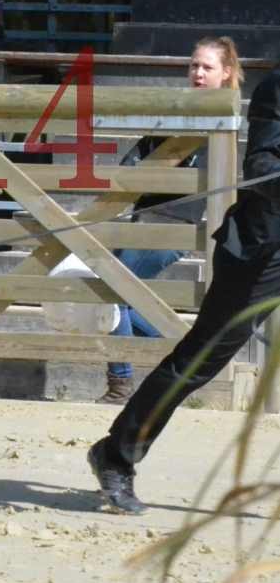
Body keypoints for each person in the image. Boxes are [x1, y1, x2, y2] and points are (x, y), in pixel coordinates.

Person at [88, 60, 280, 515]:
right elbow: (263, 162)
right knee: (199, 361)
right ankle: (116, 454)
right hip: (264, 247)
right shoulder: (277, 88)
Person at [97, 37, 244, 405]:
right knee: (120, 296)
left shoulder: (223, 114)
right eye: (194, 65)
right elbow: (137, 157)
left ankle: (121, 384)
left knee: (115, 292)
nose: (197, 72)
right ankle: (187, 358)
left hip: (174, 223)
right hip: (143, 218)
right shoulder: (176, 108)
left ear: (226, 73)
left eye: (207, 67)